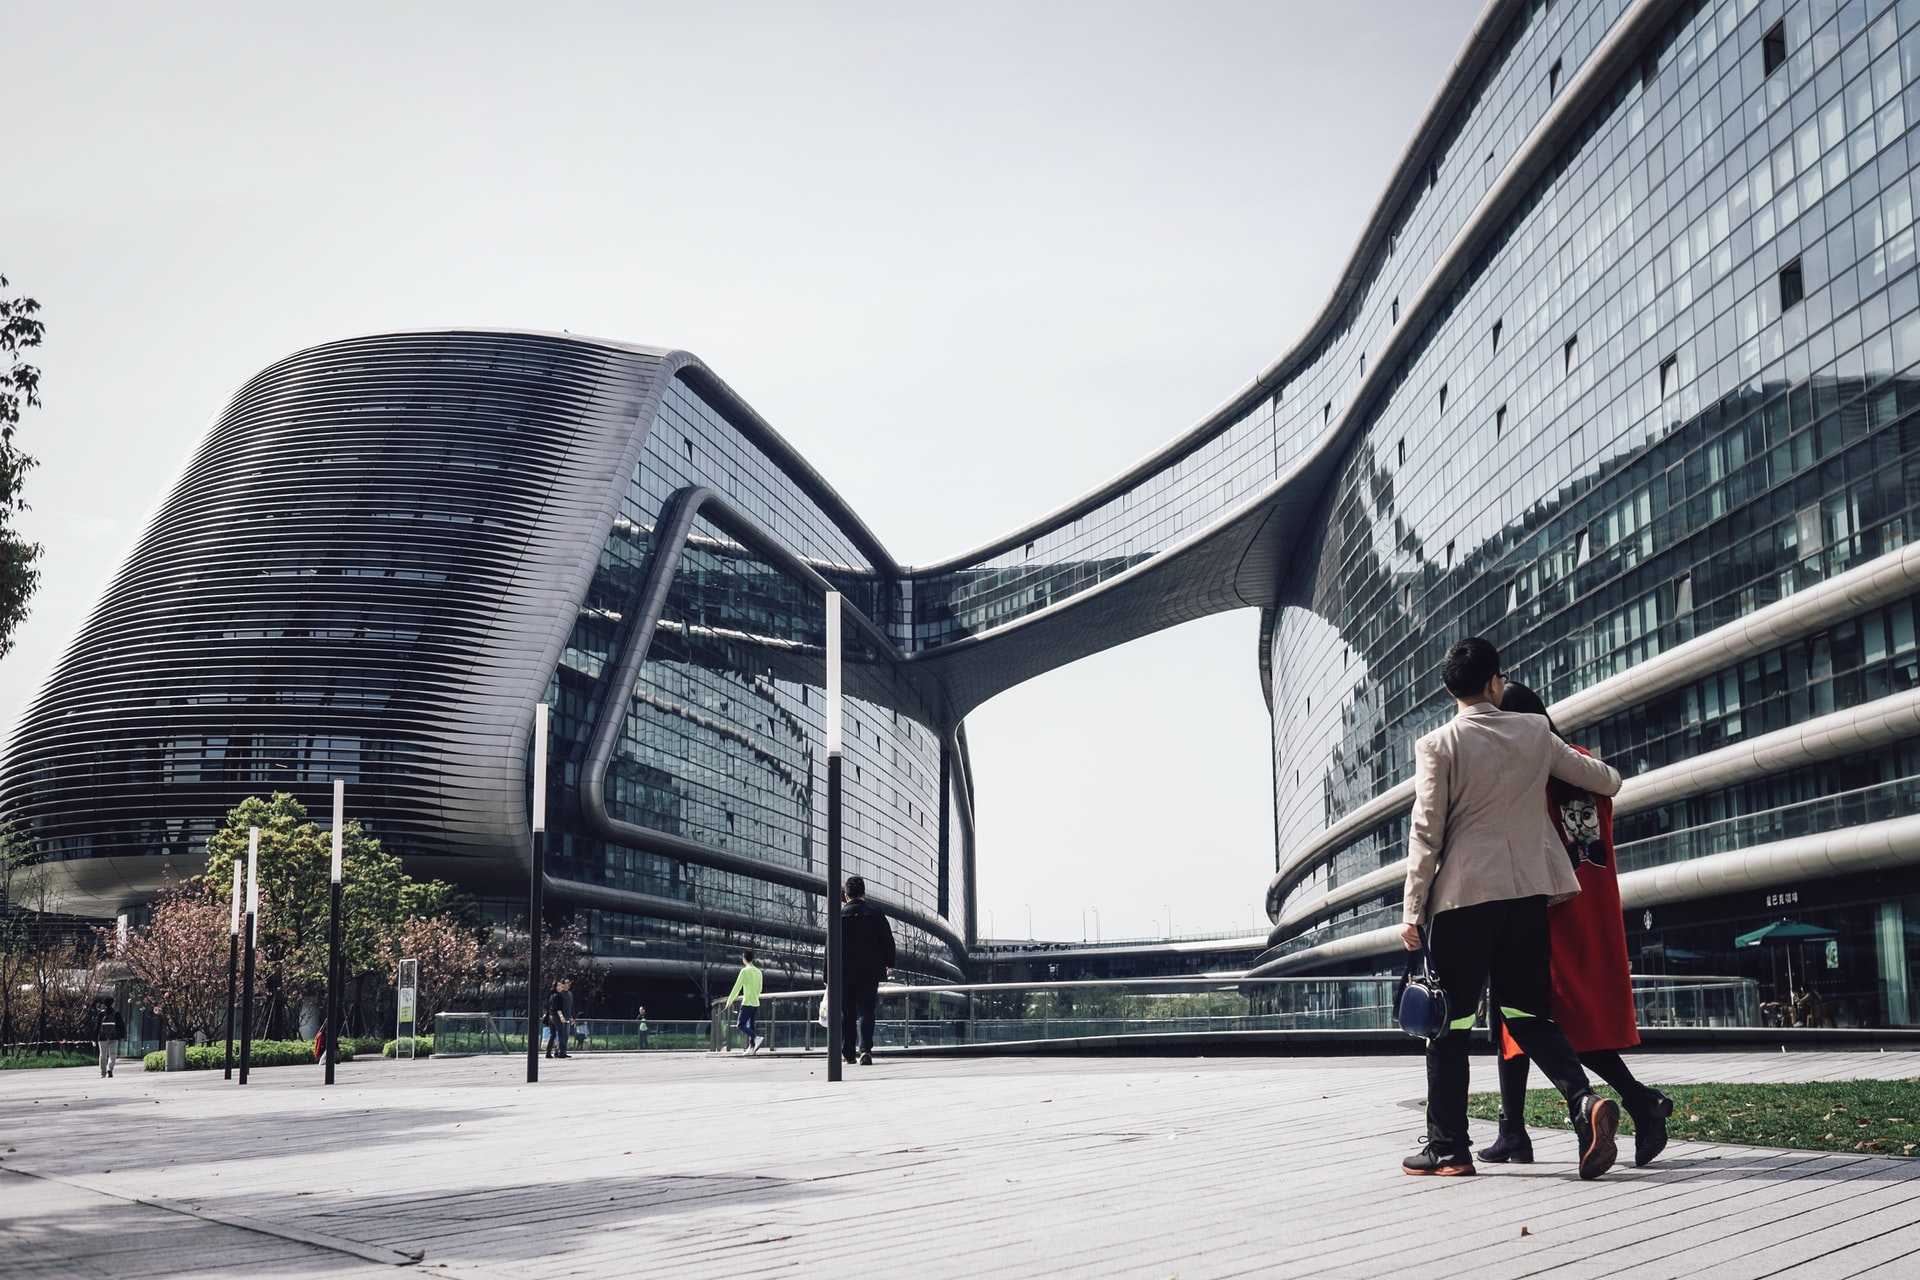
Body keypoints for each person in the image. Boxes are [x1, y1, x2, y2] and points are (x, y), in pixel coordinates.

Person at [1399, 636, 1627, 1179]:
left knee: (1449, 1026)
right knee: (1528, 1014)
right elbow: (1606, 781)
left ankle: (1448, 1148)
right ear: (1495, 681)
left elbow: (1425, 833)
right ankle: (1582, 1103)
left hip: (1462, 901)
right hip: (1527, 897)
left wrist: (1412, 910)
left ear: (1450, 690)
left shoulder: (1438, 745)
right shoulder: (1533, 732)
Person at [1481, 682, 1674, 1170]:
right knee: (1526, 1017)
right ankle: (1513, 1131)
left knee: (1540, 1018)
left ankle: (1636, 1101)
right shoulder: (1579, 763)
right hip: (1592, 904)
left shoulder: (1535, 769)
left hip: (1549, 907)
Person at [840, 875, 895, 1066]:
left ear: (846, 894)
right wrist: (889, 962)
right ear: (863, 892)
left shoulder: (839, 914)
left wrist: (827, 975)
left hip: (844, 971)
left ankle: (848, 1053)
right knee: (866, 1010)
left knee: (847, 1013)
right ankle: (865, 1050)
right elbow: (887, 940)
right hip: (869, 971)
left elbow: (830, 946)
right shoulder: (876, 913)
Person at [724, 949, 764, 1054]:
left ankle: (756, 1038)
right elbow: (760, 989)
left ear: (744, 959)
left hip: (747, 1003)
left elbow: (737, 987)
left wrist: (730, 1000)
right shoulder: (759, 972)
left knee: (740, 1024)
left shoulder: (744, 971)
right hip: (756, 1003)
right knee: (751, 1025)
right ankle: (751, 1049)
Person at [545, 978, 573, 1059]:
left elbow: (549, 1007)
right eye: (560, 986)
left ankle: (548, 1053)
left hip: (551, 1017)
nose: (561, 987)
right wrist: (562, 1017)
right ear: (556, 987)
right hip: (557, 1017)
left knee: (553, 1035)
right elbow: (558, 1009)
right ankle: (561, 1053)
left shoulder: (551, 995)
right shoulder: (558, 996)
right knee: (561, 1034)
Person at [92, 998, 121, 1079]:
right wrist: (121, 1036)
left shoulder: (101, 1014)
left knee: (102, 1055)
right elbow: (120, 1026)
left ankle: (103, 1073)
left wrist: (94, 1038)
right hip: (114, 1037)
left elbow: (97, 1027)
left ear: (104, 1004)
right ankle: (110, 1069)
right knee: (113, 1055)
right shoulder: (116, 1013)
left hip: (102, 1037)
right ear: (112, 1004)